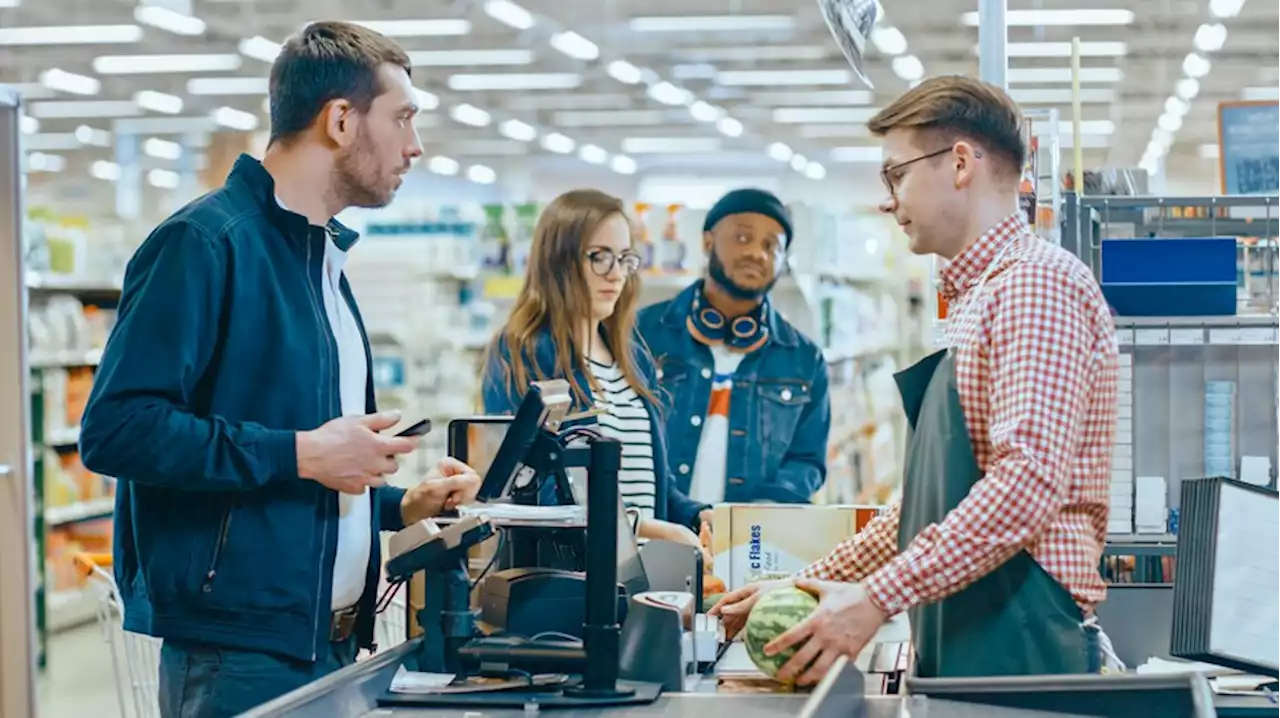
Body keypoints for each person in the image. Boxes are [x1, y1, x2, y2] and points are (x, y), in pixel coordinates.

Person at [78, 21, 481, 718]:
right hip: (237, 655)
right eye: (404, 118)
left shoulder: (321, 262)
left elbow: (297, 474)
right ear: (341, 119)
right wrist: (303, 451)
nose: (416, 146)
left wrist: (397, 506)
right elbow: (117, 429)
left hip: (325, 646)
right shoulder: (203, 244)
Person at [711, 76, 1119, 684]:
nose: (887, 198)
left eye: (895, 174)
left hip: (1024, 644)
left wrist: (877, 599)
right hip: (982, 636)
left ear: (959, 164)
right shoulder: (982, 297)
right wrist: (802, 585)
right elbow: (931, 504)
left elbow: (1025, 484)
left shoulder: (1034, 286)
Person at [480, 189, 709, 548]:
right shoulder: (524, 352)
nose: (616, 274)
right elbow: (526, 492)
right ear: (559, 261)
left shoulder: (632, 357)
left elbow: (651, 481)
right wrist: (645, 529)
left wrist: (697, 515)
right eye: (599, 257)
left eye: (624, 258)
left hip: (642, 580)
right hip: (570, 580)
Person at [636, 188, 830, 505]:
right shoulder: (641, 334)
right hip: (653, 534)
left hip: (750, 542)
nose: (758, 253)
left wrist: (761, 514)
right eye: (743, 238)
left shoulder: (804, 359)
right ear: (708, 242)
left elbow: (807, 460)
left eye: (772, 246)